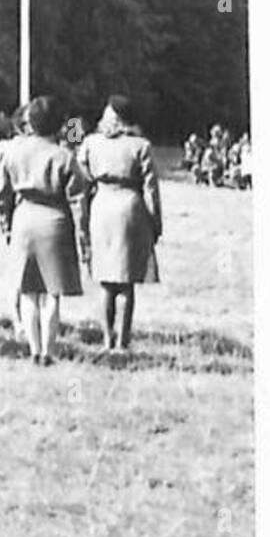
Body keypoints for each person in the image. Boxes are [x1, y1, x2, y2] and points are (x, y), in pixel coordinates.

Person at [0, 95, 88, 365]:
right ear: (58, 125)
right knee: (51, 292)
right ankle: (49, 350)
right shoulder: (65, 157)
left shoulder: (12, 152)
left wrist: (5, 223)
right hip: (55, 222)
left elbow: (1, 194)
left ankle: (33, 350)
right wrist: (84, 236)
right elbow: (78, 201)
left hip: (23, 220)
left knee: (28, 290)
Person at [78, 95, 162, 352]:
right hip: (130, 209)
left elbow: (81, 181)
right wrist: (155, 223)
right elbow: (151, 189)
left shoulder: (90, 143)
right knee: (126, 281)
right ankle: (122, 342)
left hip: (101, 207)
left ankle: (106, 339)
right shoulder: (141, 146)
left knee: (105, 280)